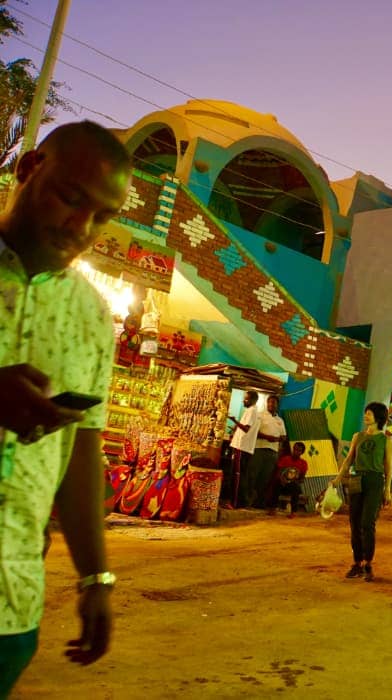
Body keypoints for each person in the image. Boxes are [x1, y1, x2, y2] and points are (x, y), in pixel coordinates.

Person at [0, 121, 131, 694]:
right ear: (30, 169)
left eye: (102, 217)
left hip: (10, 605)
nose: (81, 228)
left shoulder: (92, 317)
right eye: (71, 198)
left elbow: (82, 448)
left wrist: (95, 576)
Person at [332, 402, 392, 582]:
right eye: (365, 413)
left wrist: (387, 490)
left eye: (369, 414)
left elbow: (388, 467)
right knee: (354, 522)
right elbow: (349, 460)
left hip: (375, 481)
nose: (365, 416)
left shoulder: (386, 440)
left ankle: (368, 563)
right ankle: (357, 563)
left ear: (378, 418)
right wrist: (337, 479)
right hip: (356, 479)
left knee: (367, 523)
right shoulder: (357, 436)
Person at [226, 391, 261, 508]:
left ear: (253, 400)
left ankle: (235, 503)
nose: (243, 401)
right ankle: (240, 502)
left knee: (237, 476)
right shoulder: (251, 411)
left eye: (246, 399)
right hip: (242, 446)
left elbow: (246, 429)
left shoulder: (252, 411)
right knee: (239, 475)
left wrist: (234, 420)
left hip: (242, 447)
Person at [252, 395, 286, 508]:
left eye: (274, 403)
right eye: (270, 402)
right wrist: (267, 437)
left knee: (265, 478)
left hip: (272, 453)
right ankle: (248, 501)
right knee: (253, 475)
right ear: (267, 403)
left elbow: (283, 436)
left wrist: (280, 439)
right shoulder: (260, 415)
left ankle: (259, 503)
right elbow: (254, 431)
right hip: (259, 449)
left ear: (277, 405)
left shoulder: (279, 420)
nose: (271, 404)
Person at [269, 442, 309, 517]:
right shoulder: (285, 459)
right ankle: (273, 508)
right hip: (283, 483)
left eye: (299, 450)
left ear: (302, 452)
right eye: (295, 449)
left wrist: (295, 481)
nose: (296, 452)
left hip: (292, 485)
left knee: (296, 487)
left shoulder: (303, 463)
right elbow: (279, 473)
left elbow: (302, 478)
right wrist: (282, 480)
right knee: (276, 483)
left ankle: (293, 512)